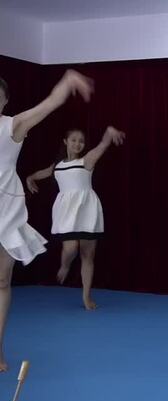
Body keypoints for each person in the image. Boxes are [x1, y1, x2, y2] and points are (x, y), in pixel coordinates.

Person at [0, 69, 94, 371]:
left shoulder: (12, 125)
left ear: (4, 101)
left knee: (2, 280)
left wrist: (67, 82)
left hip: (5, 207)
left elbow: (48, 104)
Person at [26, 126, 126, 310]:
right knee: (71, 248)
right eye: (73, 140)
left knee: (88, 255)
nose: (78, 144)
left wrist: (110, 132)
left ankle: (86, 296)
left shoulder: (86, 160)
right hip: (67, 212)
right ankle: (65, 265)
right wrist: (30, 178)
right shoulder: (58, 165)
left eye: (81, 141)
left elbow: (102, 145)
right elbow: (43, 173)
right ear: (65, 142)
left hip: (87, 210)